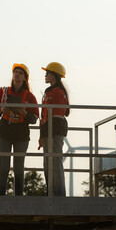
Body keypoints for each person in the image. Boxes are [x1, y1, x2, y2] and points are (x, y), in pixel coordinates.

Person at [0, 63, 39, 196]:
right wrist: (2, 109)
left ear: (25, 78)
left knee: (19, 169)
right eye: (15, 71)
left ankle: (18, 198)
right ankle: (0, 198)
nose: (17, 74)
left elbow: (34, 118)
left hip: (21, 133)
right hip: (5, 131)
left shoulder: (30, 97)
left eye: (20, 72)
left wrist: (24, 112)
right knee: (3, 167)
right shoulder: (3, 92)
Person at [38, 62, 70, 196]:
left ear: (54, 75)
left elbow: (57, 117)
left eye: (47, 73)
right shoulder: (49, 91)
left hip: (54, 132)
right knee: (47, 164)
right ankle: (50, 193)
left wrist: (51, 136)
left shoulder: (57, 92)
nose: (45, 76)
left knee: (55, 164)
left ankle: (59, 195)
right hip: (47, 132)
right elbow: (45, 117)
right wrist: (42, 136)